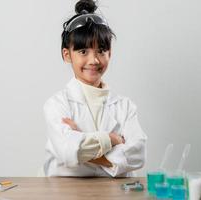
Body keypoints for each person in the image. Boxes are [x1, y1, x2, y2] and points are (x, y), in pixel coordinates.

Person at [43, 0, 147, 177]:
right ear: (67, 54)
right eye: (83, 51)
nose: (94, 60)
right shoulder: (56, 104)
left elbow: (138, 155)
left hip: (116, 192)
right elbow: (67, 151)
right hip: (64, 191)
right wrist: (112, 140)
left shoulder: (125, 106)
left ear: (110, 53)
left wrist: (81, 140)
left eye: (101, 50)